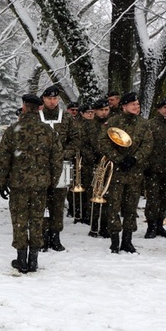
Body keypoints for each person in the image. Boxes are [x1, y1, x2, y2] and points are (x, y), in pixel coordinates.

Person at [0, 94, 63, 273]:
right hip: (40, 185)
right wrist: (52, 183)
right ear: (40, 108)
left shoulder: (13, 130)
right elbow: (57, 160)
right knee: (36, 220)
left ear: (24, 106)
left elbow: (3, 159)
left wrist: (2, 183)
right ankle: (33, 259)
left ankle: (21, 258)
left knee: (19, 221)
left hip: (19, 185)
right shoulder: (49, 132)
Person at [99, 92, 153, 253]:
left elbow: (148, 144)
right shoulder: (113, 122)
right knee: (113, 205)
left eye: (137, 104)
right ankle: (114, 239)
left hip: (135, 171)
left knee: (131, 206)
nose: (136, 107)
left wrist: (135, 159)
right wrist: (118, 158)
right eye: (133, 104)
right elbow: (102, 142)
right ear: (124, 106)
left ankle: (128, 239)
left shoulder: (143, 124)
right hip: (116, 171)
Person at [39, 85, 79, 252]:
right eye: (49, 98)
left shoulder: (67, 118)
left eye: (55, 98)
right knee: (41, 202)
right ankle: (41, 236)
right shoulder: (36, 116)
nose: (52, 101)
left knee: (57, 202)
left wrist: (64, 154)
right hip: (40, 167)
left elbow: (75, 140)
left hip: (61, 166)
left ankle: (55, 236)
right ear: (43, 99)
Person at [82, 98, 111, 237]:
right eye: (101, 110)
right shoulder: (88, 126)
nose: (104, 113)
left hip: (108, 163)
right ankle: (93, 225)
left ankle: (104, 225)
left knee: (107, 196)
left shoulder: (112, 124)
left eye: (106, 110)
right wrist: (91, 157)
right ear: (95, 111)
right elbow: (83, 144)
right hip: (92, 164)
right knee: (93, 194)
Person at [143, 98, 166, 238]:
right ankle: (151, 226)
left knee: (164, 198)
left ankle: (159, 223)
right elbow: (145, 146)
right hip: (153, 168)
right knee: (153, 198)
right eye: (164, 107)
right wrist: (146, 165)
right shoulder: (150, 125)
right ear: (158, 109)